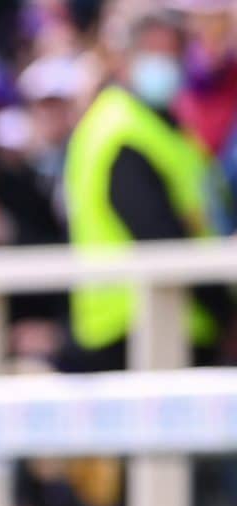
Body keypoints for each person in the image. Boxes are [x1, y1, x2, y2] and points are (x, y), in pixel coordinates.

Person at [62, 9, 232, 371]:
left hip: (178, 325)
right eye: (152, 53)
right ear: (124, 60)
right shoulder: (119, 130)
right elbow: (160, 235)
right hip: (133, 333)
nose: (164, 63)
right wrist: (226, 313)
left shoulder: (173, 132)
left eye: (172, 53)